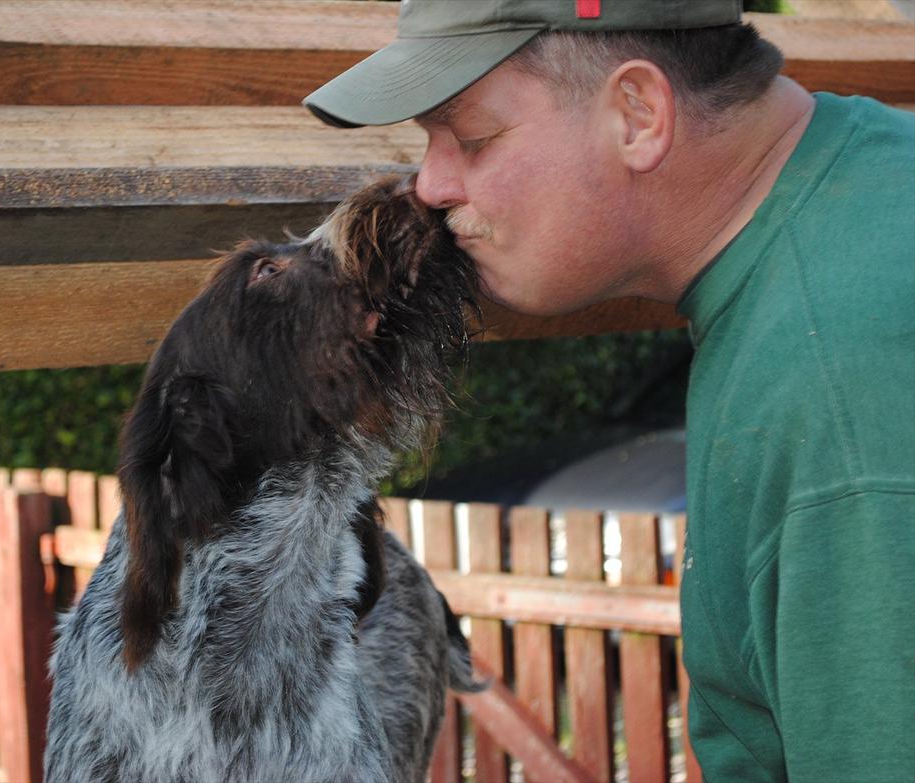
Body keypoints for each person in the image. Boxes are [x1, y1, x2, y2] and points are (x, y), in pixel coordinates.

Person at [304, 1, 915, 781]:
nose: (431, 185)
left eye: (473, 137)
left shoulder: (837, 392)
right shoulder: (868, 186)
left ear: (638, 114)